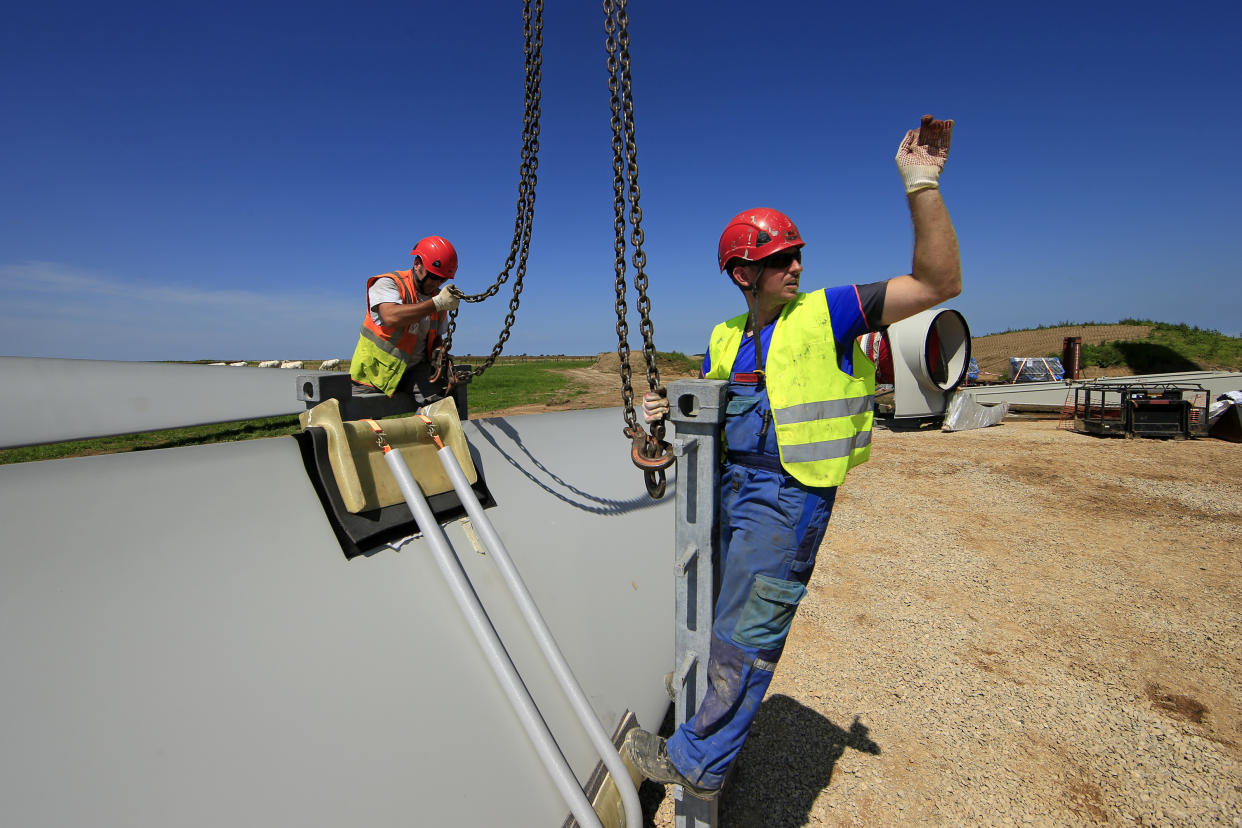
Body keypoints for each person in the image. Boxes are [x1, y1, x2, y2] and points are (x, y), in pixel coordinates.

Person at [623, 114, 962, 798]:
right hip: (726, 492)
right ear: (743, 272)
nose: (796, 266)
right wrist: (660, 422)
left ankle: (698, 764)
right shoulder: (724, 337)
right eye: (781, 258)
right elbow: (705, 417)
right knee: (715, 617)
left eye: (798, 253)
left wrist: (921, 184)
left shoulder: (829, 312)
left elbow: (936, 286)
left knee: (746, 635)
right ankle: (710, 721)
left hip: (787, 496)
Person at [349, 236, 463, 405]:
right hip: (373, 375)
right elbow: (391, 316)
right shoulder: (388, 284)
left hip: (414, 372)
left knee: (440, 407)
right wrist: (436, 303)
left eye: (442, 279)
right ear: (417, 264)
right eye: (433, 276)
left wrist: (439, 350)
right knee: (363, 427)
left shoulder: (438, 299)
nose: (437, 283)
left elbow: (436, 334)